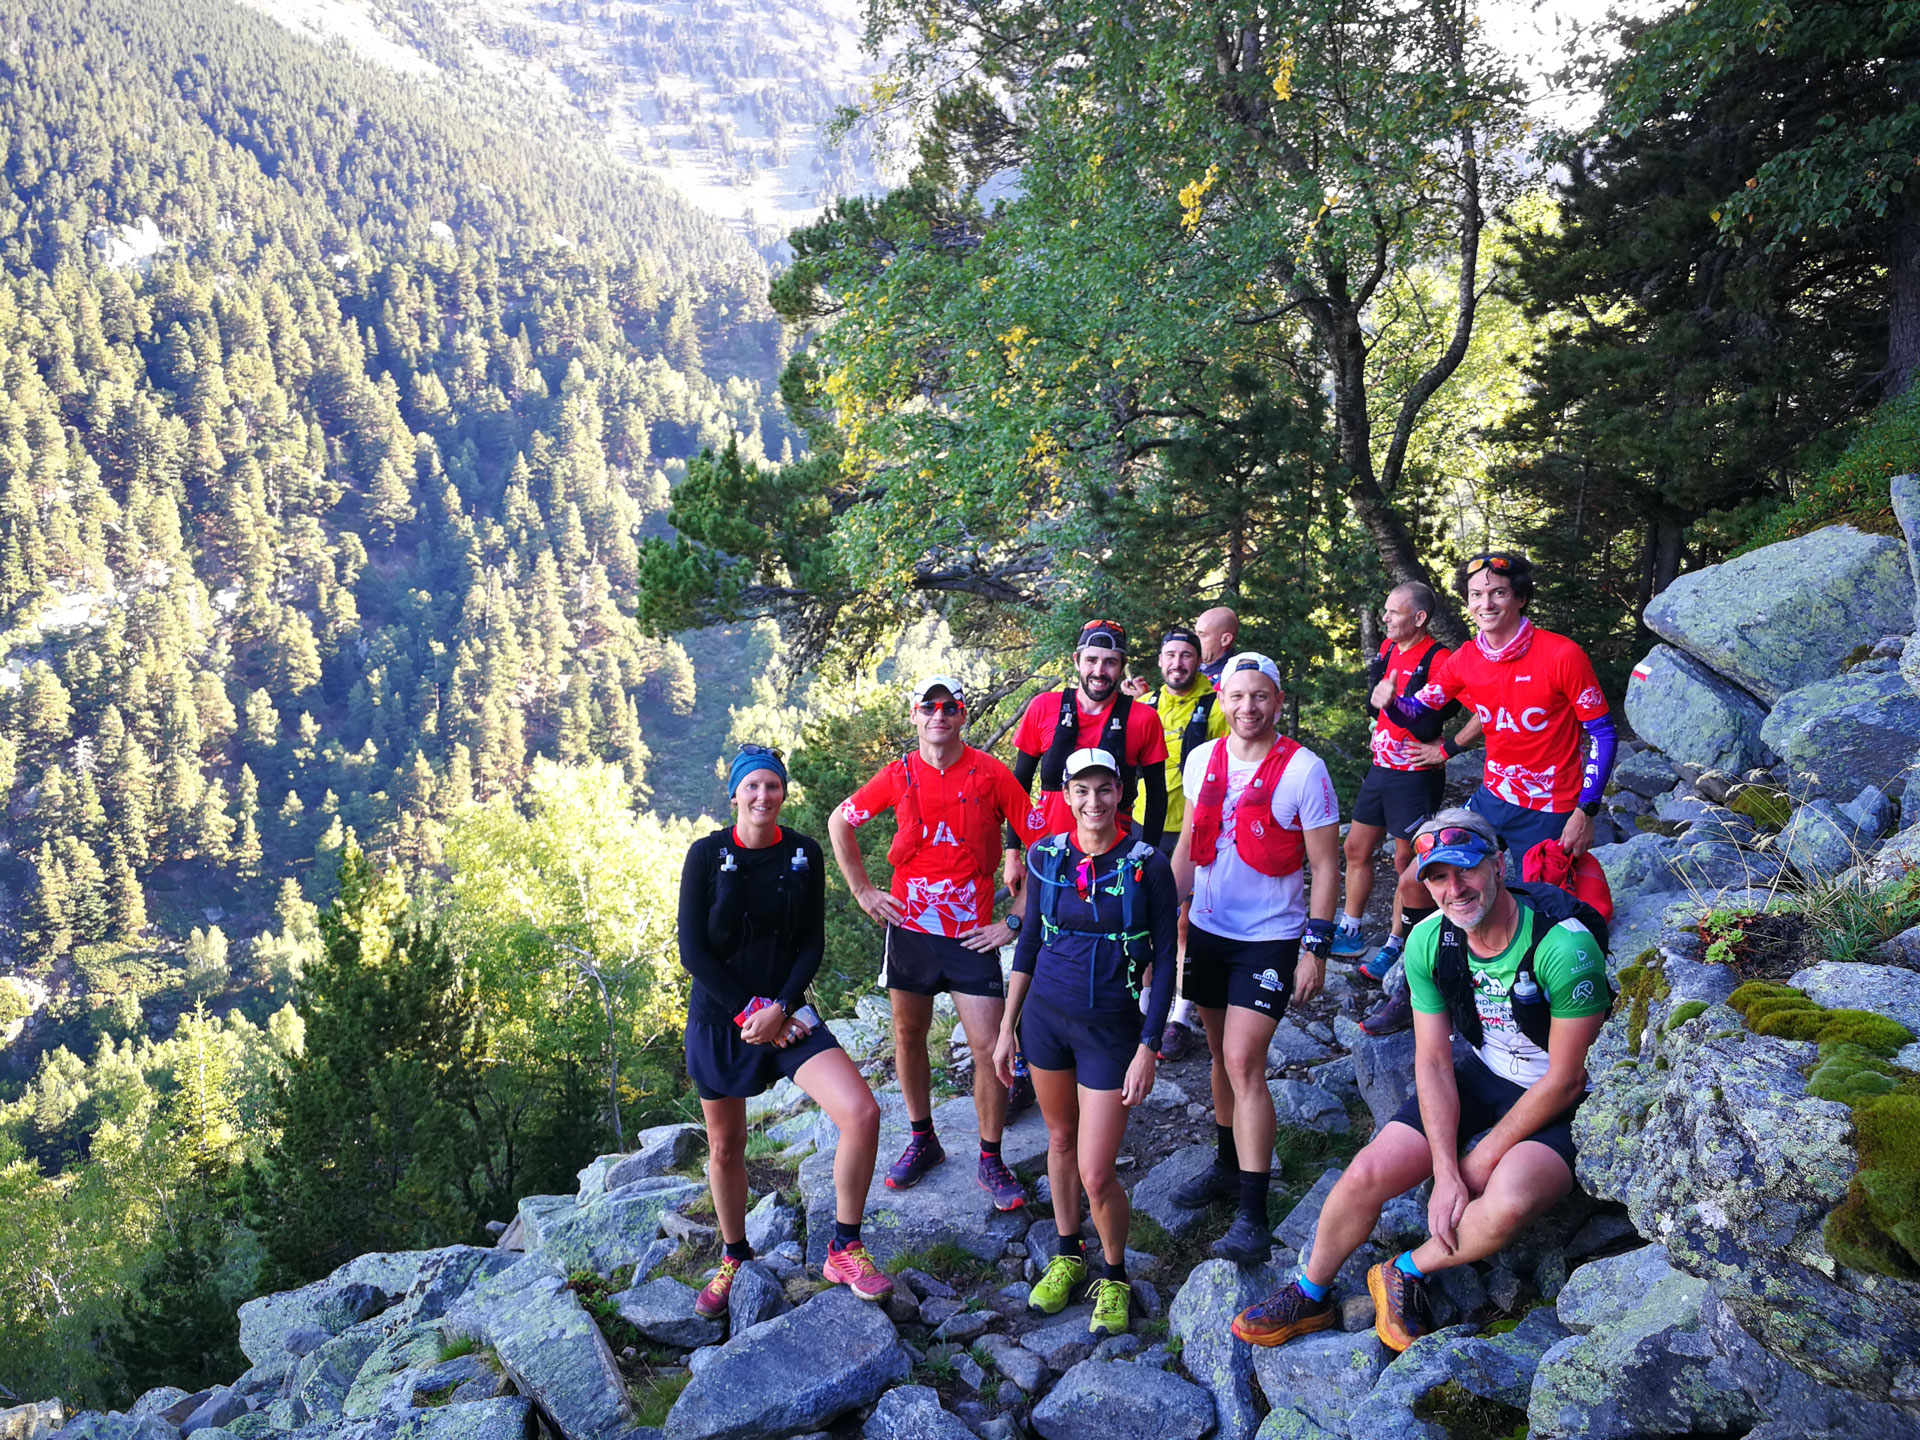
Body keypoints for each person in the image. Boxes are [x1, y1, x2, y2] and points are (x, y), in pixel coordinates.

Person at [1230, 808, 1610, 1352]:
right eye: (1436, 876)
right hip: (1485, 1070)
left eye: (1467, 870)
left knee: (1506, 1198)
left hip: (1562, 1096)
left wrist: (1474, 1164)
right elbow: (1431, 1060)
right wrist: (1444, 1168)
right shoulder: (1430, 940)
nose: (1454, 889)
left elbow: (1569, 1080)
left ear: (1498, 865)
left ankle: (1405, 1269)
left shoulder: (1563, 947)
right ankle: (1309, 1292)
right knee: (1367, 1171)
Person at [679, 745, 893, 1313]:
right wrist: (753, 1012)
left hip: (790, 1015)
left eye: (772, 786)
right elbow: (693, 951)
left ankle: (844, 1247)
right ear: (734, 796)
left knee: (862, 1112)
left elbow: (811, 943)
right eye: (752, 787)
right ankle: (734, 1256)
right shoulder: (705, 855)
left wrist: (781, 1006)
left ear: (783, 793)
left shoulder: (804, 852)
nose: (762, 796)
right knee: (726, 1146)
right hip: (723, 1019)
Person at [1365, 552, 1614, 1041]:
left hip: (1552, 808)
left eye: (1498, 592)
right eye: (1477, 594)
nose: (1486, 602)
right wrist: (1391, 699)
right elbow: (1421, 711)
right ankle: (1416, 988)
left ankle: (1542, 1019)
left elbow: (1602, 734)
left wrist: (1585, 811)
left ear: (1520, 597)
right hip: (1491, 800)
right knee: (1419, 879)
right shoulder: (1467, 658)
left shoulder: (1561, 654)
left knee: (1543, 918)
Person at [829, 676, 1049, 1210]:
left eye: (949, 707)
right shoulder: (900, 773)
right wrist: (862, 890)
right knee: (909, 1035)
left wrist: (1017, 921)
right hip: (911, 934)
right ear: (915, 715)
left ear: (962, 715)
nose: (939, 715)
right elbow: (841, 819)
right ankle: (923, 1139)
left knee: (991, 1046)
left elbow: (1045, 842)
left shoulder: (992, 773)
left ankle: (991, 1158)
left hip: (972, 937)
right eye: (929, 707)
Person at [994, 747, 1177, 1338]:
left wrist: (1150, 1044)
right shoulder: (1047, 856)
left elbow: (1168, 961)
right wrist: (1006, 1028)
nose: (1093, 802)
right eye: (1082, 790)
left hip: (1111, 1030)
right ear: (1066, 795)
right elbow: (1026, 947)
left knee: (1097, 1172)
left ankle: (1115, 1274)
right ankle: (1069, 1254)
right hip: (1045, 1020)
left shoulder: (1149, 864)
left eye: (1105, 790)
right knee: (1058, 1137)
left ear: (1120, 793)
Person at [1167, 653, 1342, 1263]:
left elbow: (1326, 865)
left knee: (1243, 1060)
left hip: (1269, 935)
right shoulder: (1201, 761)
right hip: (1211, 928)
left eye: (1260, 696)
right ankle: (1225, 1162)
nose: (1248, 708)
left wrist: (1315, 946)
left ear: (1278, 698)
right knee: (1219, 1056)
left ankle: (1253, 1213)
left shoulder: (1305, 770)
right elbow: (1191, 842)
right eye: (1237, 696)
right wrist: (1167, 908)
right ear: (1223, 700)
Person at [1333, 582, 1481, 979]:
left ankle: (1397, 944)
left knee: (1406, 862)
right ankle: (1349, 930)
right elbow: (1384, 703)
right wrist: (1374, 727)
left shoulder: (1439, 658)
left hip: (1416, 776)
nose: (1385, 618)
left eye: (1393, 612)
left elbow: (1483, 709)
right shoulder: (1387, 650)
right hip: (1382, 769)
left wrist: (1447, 748)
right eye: (1384, 610)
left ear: (1418, 618)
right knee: (1355, 847)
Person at [1122, 627, 1229, 1061]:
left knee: (1185, 924)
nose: (1177, 663)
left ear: (1198, 660)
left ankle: (1180, 1018)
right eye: (1170, 655)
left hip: (1196, 827)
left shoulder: (1218, 703)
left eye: (1186, 655)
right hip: (1144, 825)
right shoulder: (1144, 705)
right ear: (1160, 661)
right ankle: (1145, 1010)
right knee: (1140, 918)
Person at [1010, 620, 1170, 847]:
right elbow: (1019, 787)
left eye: (1110, 662)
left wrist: (1148, 855)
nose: (1099, 671)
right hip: (1050, 850)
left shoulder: (1143, 718)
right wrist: (1013, 852)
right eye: (1091, 660)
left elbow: (1156, 797)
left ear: (1122, 665)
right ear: (1077, 661)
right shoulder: (1043, 707)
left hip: (1114, 856)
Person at [1194, 606, 1240, 687]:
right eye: (1195, 634)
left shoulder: (1235, 679)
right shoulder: (1190, 671)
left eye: (1202, 635)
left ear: (1225, 639)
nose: (1195, 640)